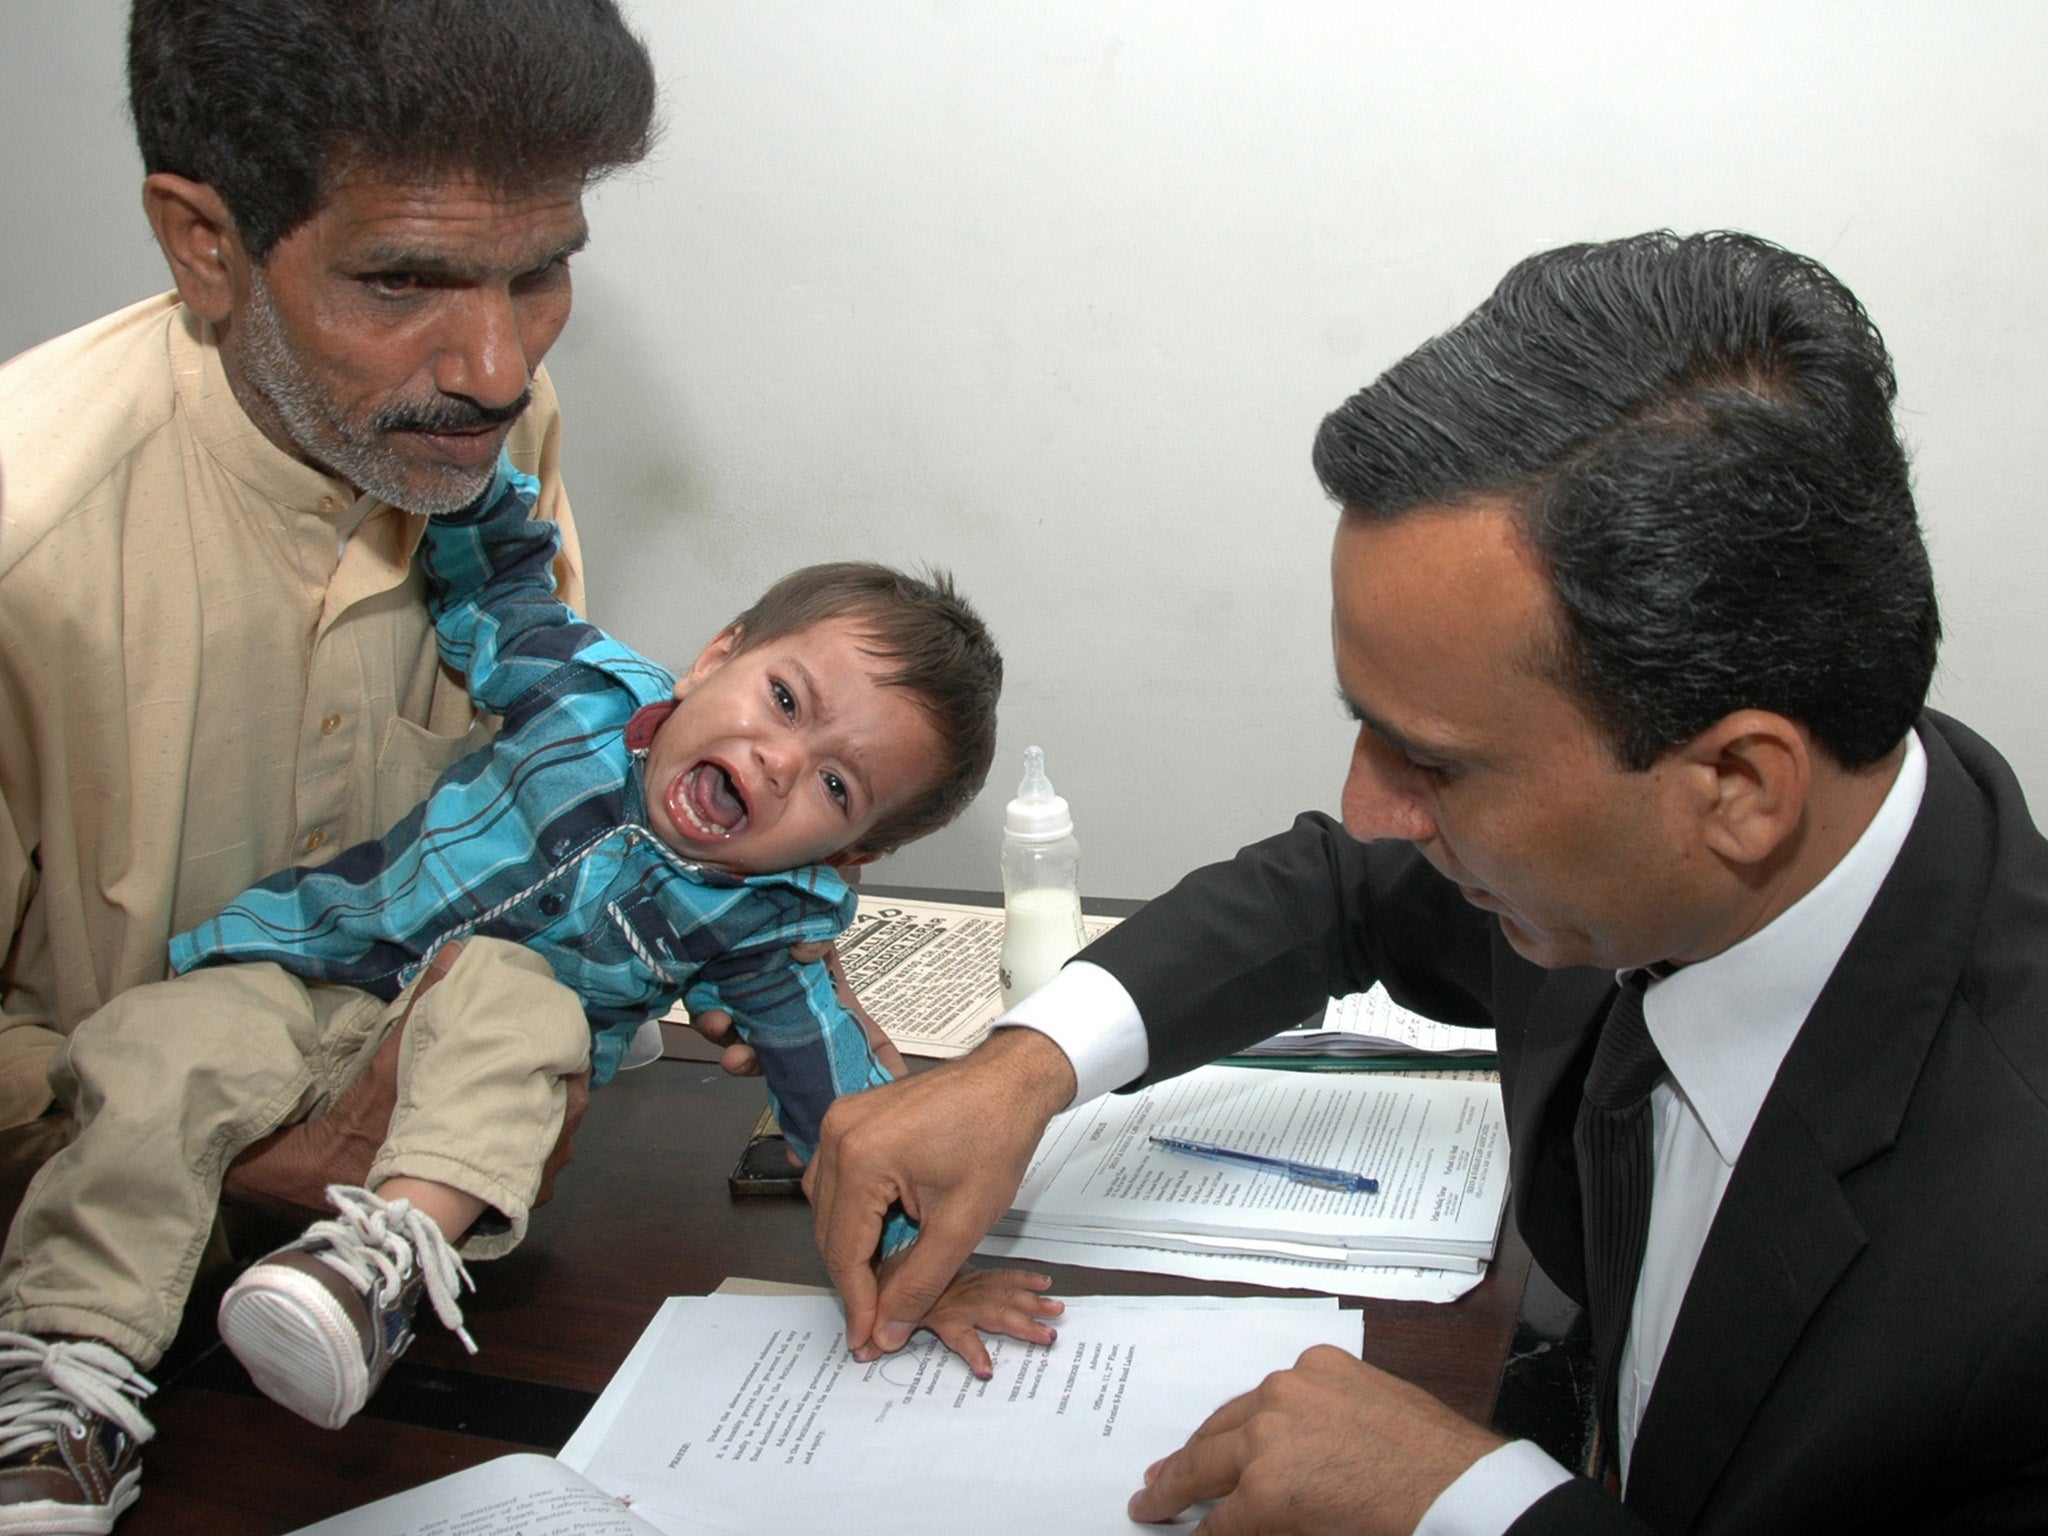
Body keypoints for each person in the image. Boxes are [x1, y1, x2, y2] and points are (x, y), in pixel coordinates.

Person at [792, 231, 2048, 1534]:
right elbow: (1341, 890)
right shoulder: (1652, 849)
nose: (1368, 803)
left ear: (1736, 790)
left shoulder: (2011, 1269)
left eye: (1432, 764)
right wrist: (1022, 1072)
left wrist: (1477, 1506)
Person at [0, 457, 1060, 1526]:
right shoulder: (572, 687)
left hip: (458, 1103)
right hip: (303, 976)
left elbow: (841, 1107)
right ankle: (63, 1388)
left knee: (513, 990)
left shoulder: (763, 925)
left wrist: (913, 1272)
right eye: (783, 700)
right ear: (714, 656)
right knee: (152, 1048)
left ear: (849, 852)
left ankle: (377, 1271)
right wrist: (459, 464)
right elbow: (499, 580)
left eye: (836, 785)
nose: (780, 761)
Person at [0, 0, 656, 1522]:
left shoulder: (475, 427)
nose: (496, 365)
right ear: (205, 244)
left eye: (540, 272)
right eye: (405, 280)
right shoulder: (28, 545)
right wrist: (228, 1145)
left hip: (375, 1283)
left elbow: (533, 779)